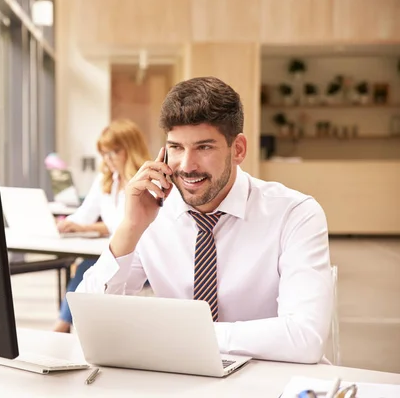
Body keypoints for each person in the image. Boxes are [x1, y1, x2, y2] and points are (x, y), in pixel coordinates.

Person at [77, 77, 333, 364]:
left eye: (204, 147)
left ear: (238, 150)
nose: (187, 166)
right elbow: (90, 322)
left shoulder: (294, 214)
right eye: (175, 147)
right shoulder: (153, 214)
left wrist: (190, 336)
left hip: (272, 378)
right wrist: (130, 227)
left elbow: (305, 338)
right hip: (181, 379)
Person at [53, 119, 151, 333]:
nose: (108, 160)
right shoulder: (105, 180)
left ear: (129, 148)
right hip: (114, 252)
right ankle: (69, 325)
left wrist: (89, 228)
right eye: (104, 154)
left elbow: (125, 225)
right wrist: (70, 224)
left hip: (139, 259)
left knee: (85, 266)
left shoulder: (147, 183)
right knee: (87, 267)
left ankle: (63, 325)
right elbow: (85, 215)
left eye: (113, 152)